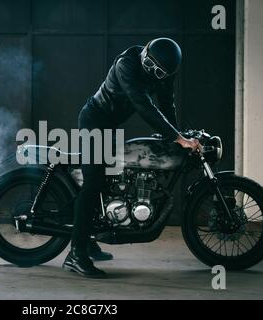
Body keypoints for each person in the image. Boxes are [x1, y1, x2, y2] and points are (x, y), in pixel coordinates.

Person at [62, 38, 201, 278]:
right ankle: (76, 254)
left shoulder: (164, 74)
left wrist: (176, 135)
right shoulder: (126, 64)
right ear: (145, 51)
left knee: (109, 182)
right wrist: (178, 138)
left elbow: (167, 104)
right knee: (94, 183)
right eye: (149, 64)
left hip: (111, 125)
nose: (152, 72)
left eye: (159, 72)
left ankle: (88, 239)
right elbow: (143, 105)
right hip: (95, 120)